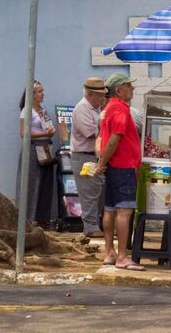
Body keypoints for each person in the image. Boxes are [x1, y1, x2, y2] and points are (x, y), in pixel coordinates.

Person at [97, 73, 143, 271]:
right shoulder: (121, 110)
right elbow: (114, 140)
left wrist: (103, 162)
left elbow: (104, 139)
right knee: (124, 211)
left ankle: (110, 253)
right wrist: (101, 163)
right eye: (128, 86)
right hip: (123, 167)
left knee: (110, 209)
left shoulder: (108, 109)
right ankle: (122, 256)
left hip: (115, 167)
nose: (132, 89)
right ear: (119, 90)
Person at [70, 77, 108, 238]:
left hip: (93, 156)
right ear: (90, 94)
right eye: (99, 96)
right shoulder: (82, 109)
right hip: (84, 156)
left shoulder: (96, 109)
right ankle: (90, 227)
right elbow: (92, 133)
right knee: (89, 194)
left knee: (97, 192)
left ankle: (95, 224)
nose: (102, 98)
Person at [17, 80, 57, 229]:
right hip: (34, 148)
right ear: (31, 95)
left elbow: (47, 126)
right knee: (32, 183)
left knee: (46, 183)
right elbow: (23, 133)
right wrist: (43, 133)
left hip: (46, 147)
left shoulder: (42, 109)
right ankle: (28, 219)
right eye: (39, 91)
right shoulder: (26, 110)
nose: (42, 94)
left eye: (42, 91)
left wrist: (50, 132)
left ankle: (43, 218)